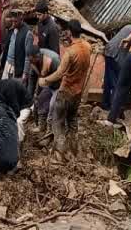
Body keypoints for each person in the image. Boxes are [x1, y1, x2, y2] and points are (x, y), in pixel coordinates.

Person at [39, 20, 92, 154]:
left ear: (69, 32)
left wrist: (45, 80)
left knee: (58, 123)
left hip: (66, 92)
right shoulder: (87, 46)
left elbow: (59, 73)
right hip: (78, 93)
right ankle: (74, 151)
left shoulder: (70, 52)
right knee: (73, 122)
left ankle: (59, 154)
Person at [26, 42, 62, 130]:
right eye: (30, 60)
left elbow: (61, 76)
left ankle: (50, 130)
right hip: (46, 82)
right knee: (40, 100)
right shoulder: (33, 60)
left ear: (37, 56)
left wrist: (47, 81)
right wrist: (30, 96)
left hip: (59, 85)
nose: (31, 62)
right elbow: (32, 78)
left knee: (52, 105)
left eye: (32, 60)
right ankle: (41, 126)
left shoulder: (53, 60)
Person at [102, 24, 131, 111]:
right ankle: (114, 110)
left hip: (109, 50)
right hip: (115, 54)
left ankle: (106, 104)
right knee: (116, 83)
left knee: (108, 80)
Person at [0, 9, 32, 79]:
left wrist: (25, 73)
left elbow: (28, 56)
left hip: (17, 68)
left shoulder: (27, 33)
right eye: (12, 21)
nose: (13, 23)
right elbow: (7, 47)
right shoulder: (12, 29)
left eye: (16, 21)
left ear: (21, 19)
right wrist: (1, 58)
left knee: (13, 88)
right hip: (8, 64)